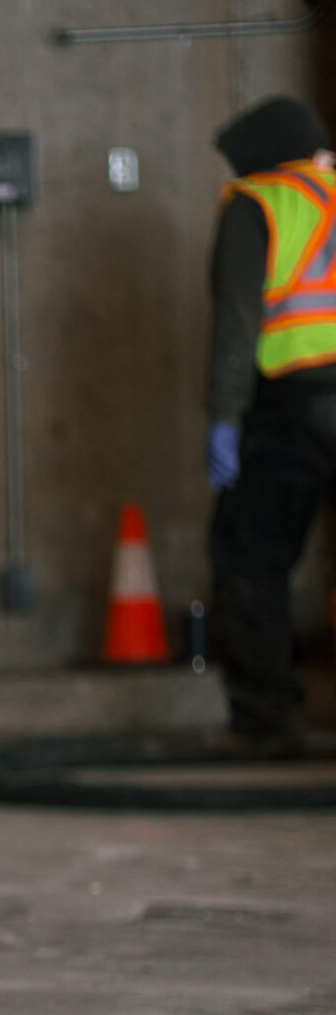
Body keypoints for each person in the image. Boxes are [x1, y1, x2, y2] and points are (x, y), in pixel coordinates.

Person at [206, 94, 336, 749]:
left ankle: (267, 719)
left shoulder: (258, 201)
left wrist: (223, 416)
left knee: (249, 555)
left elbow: (235, 322)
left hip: (295, 404)